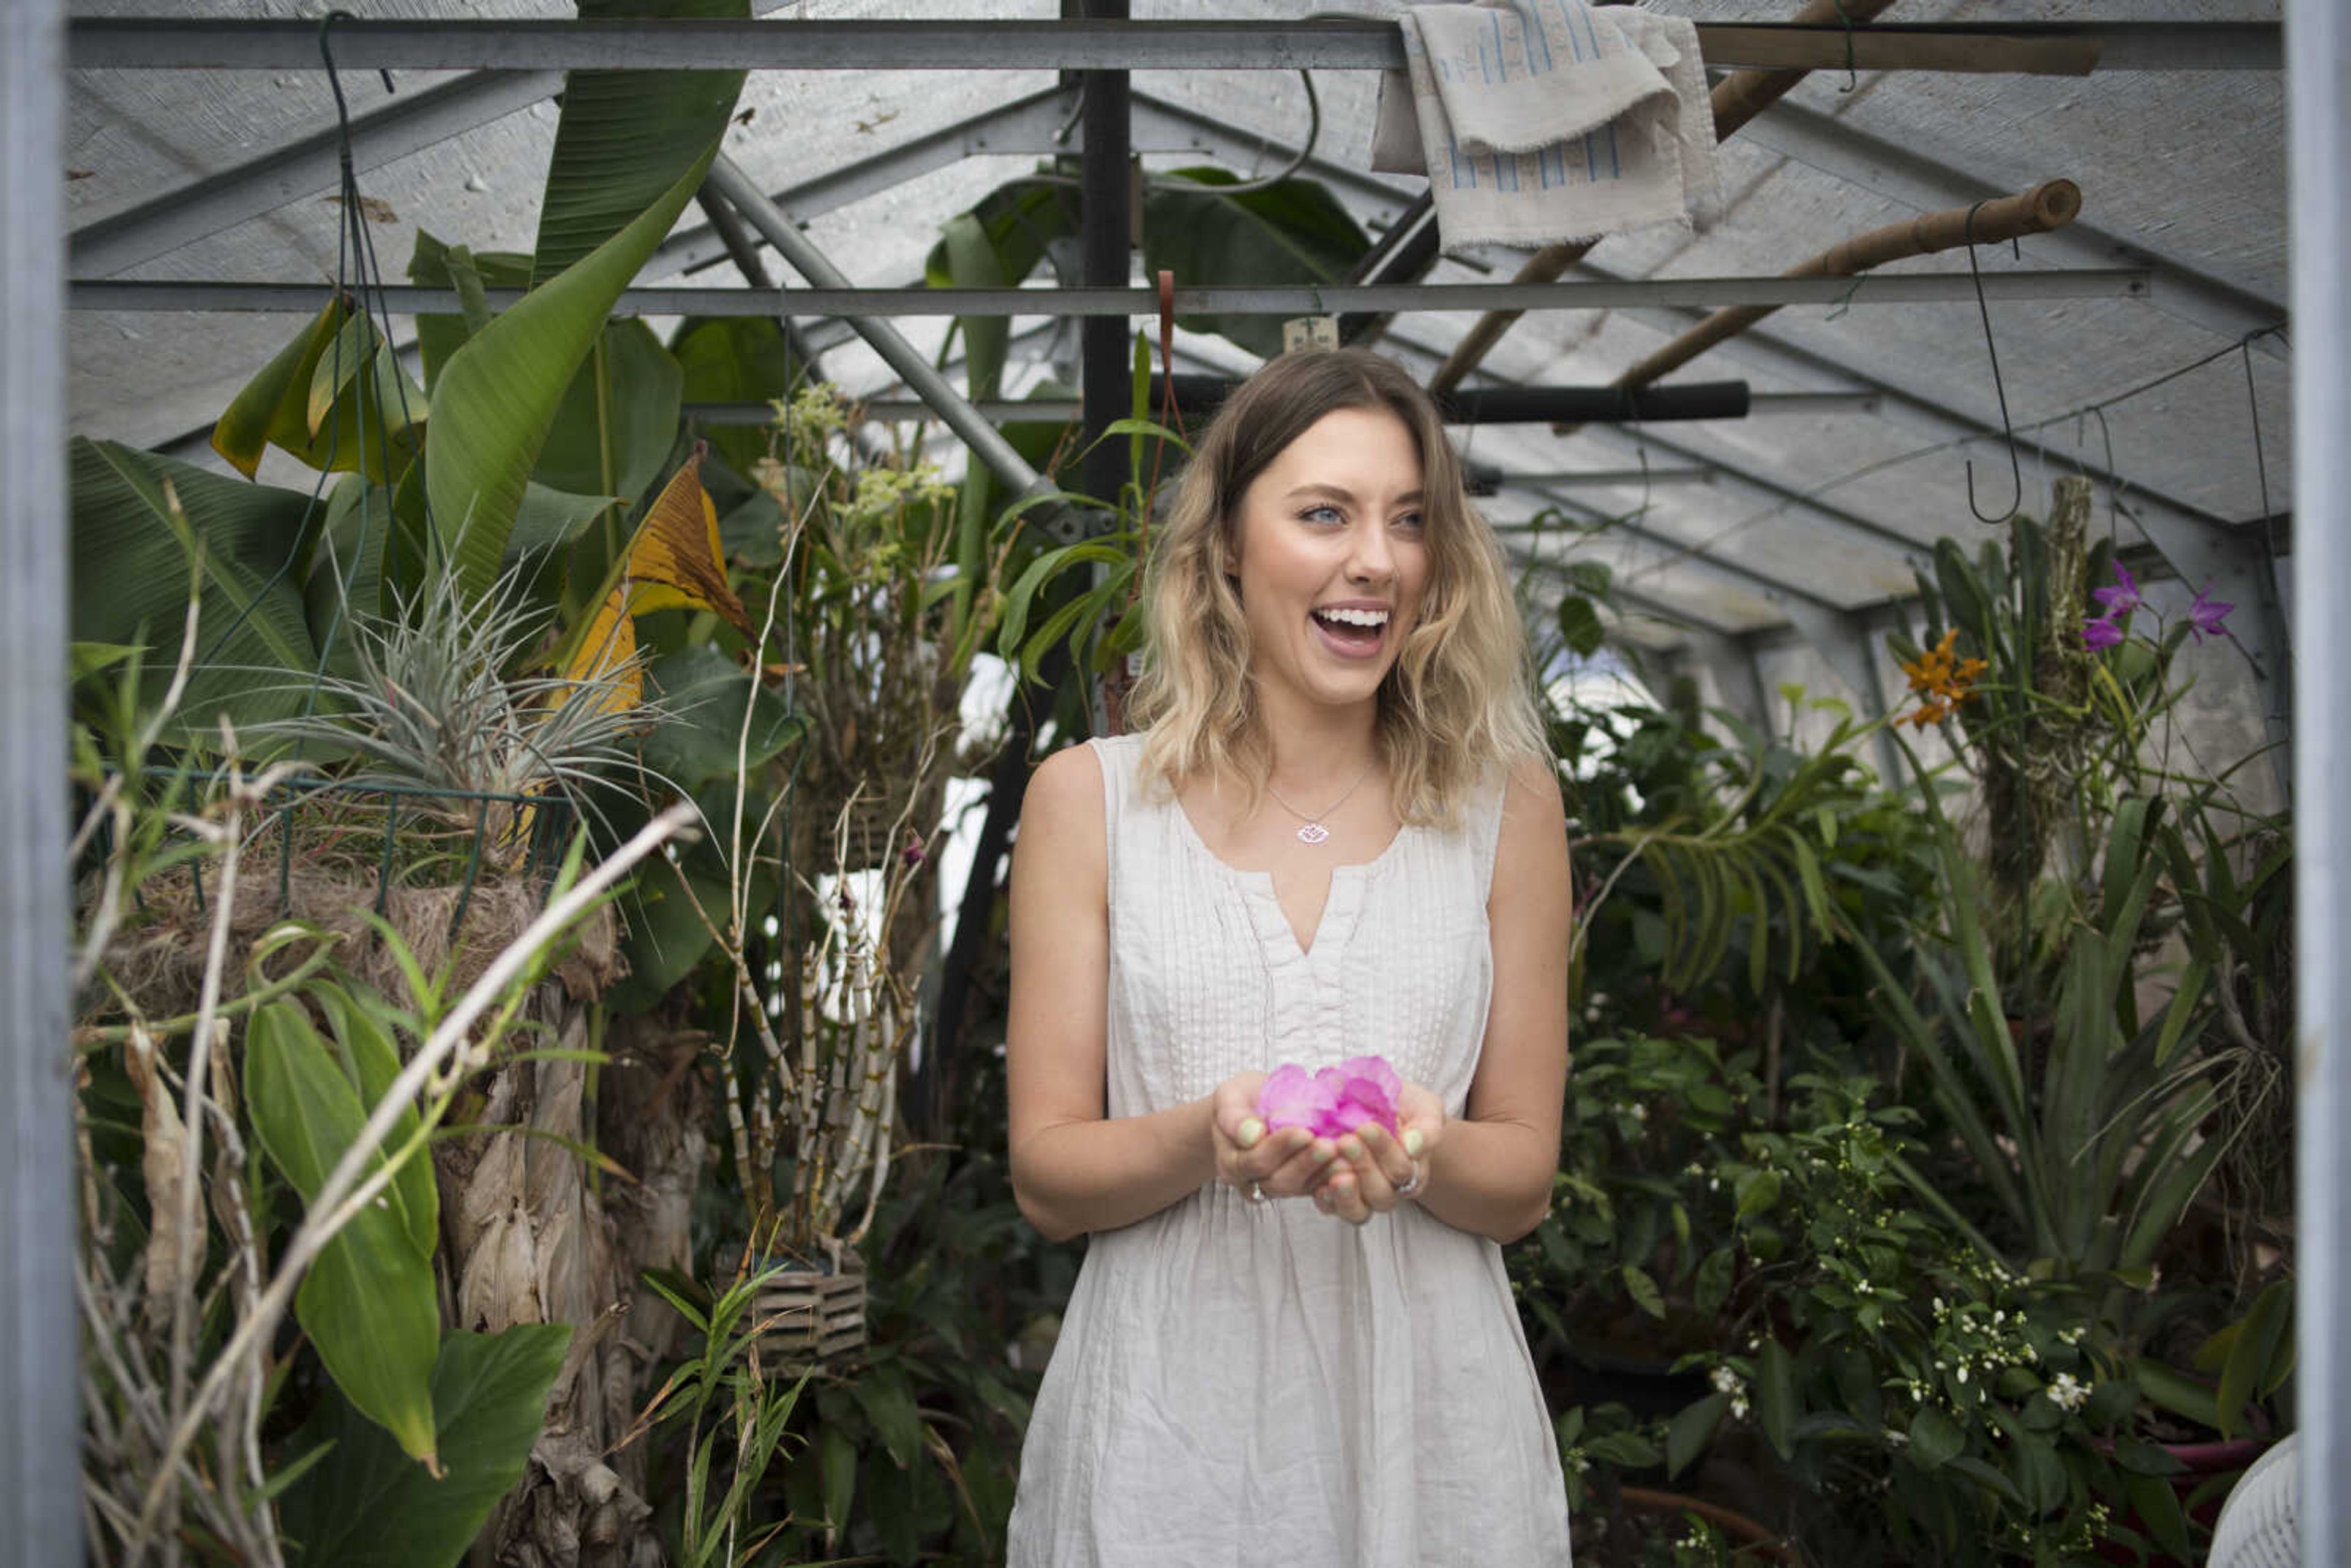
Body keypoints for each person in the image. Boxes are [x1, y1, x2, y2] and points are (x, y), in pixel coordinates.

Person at [1003, 347, 1573, 1566]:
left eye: (1409, 521)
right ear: (1223, 549)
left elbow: (1522, 1178)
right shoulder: (1087, 803)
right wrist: (1204, 1138)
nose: (1375, 558)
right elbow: (1048, 1176)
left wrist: (1423, 1149)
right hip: (1168, 1435)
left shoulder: (1506, 811)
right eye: (1325, 514)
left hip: (1433, 1437)